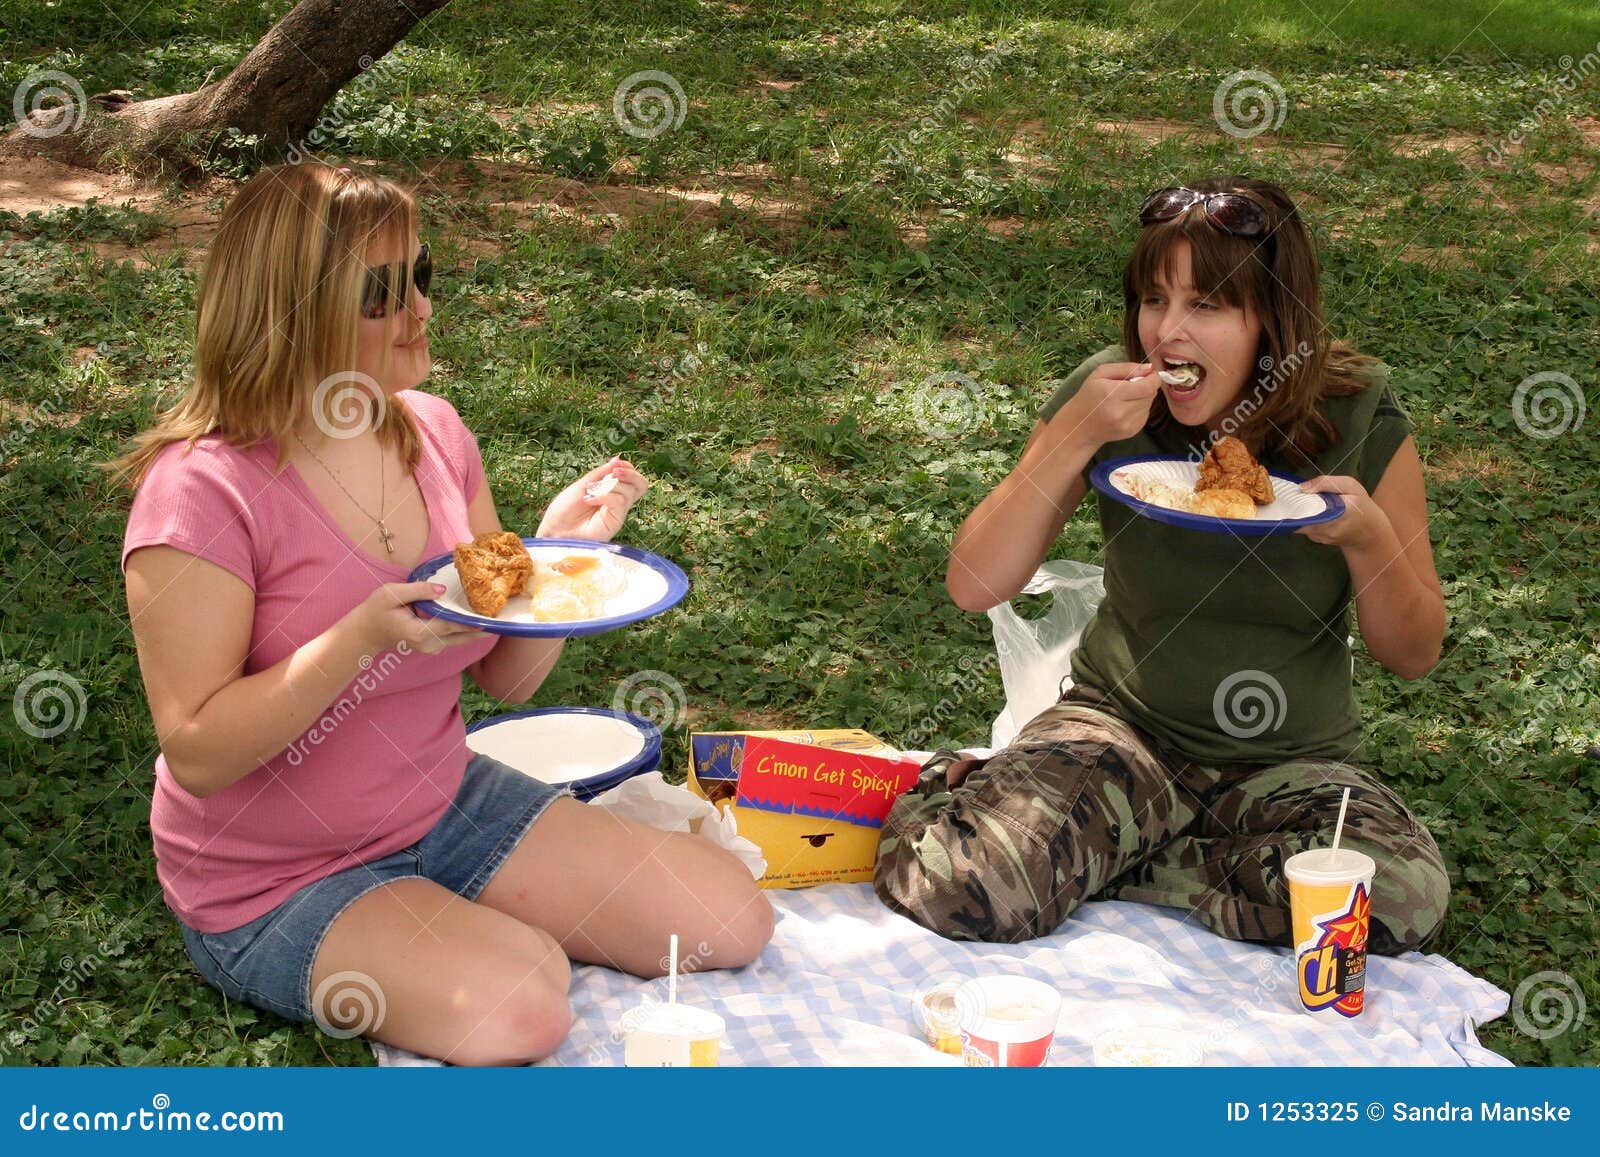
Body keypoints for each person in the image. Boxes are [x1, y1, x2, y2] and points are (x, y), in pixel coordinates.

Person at [110, 163, 772, 1065]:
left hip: (439, 800)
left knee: (729, 916)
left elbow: (503, 671)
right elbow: (197, 746)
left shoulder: (433, 433)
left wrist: (556, 565)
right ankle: (448, 929)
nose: (419, 309)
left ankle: (451, 914)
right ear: (291, 313)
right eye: (381, 293)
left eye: (421, 273)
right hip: (273, 878)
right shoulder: (200, 491)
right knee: (521, 1004)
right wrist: (357, 640)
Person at [875, 177, 1449, 956]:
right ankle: (1047, 825)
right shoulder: (1107, 396)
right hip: (1121, 732)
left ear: (1273, 321)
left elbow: (1413, 654)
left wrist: (1369, 539)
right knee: (955, 880)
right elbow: (974, 582)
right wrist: (1075, 434)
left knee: (1403, 894)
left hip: (1290, 764)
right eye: (1154, 299)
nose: (1166, 333)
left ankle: (1129, 863)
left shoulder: (1358, 416)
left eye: (1205, 305)